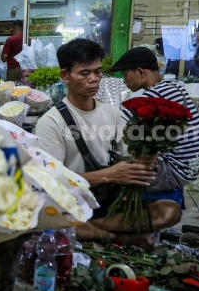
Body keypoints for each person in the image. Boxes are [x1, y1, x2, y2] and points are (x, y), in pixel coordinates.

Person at [34, 39, 180, 244]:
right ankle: (116, 236)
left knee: (170, 210)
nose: (93, 79)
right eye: (84, 73)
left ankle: (97, 230)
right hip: (72, 204)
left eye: (98, 72)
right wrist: (107, 175)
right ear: (65, 76)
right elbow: (50, 183)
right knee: (48, 214)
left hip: (108, 206)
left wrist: (145, 160)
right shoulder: (51, 122)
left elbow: (130, 156)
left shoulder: (113, 112)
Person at [112, 47, 199, 202]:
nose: (124, 80)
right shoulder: (175, 86)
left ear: (141, 72)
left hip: (173, 172)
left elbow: (117, 122)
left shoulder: (155, 95)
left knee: (109, 160)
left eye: (125, 74)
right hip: (188, 168)